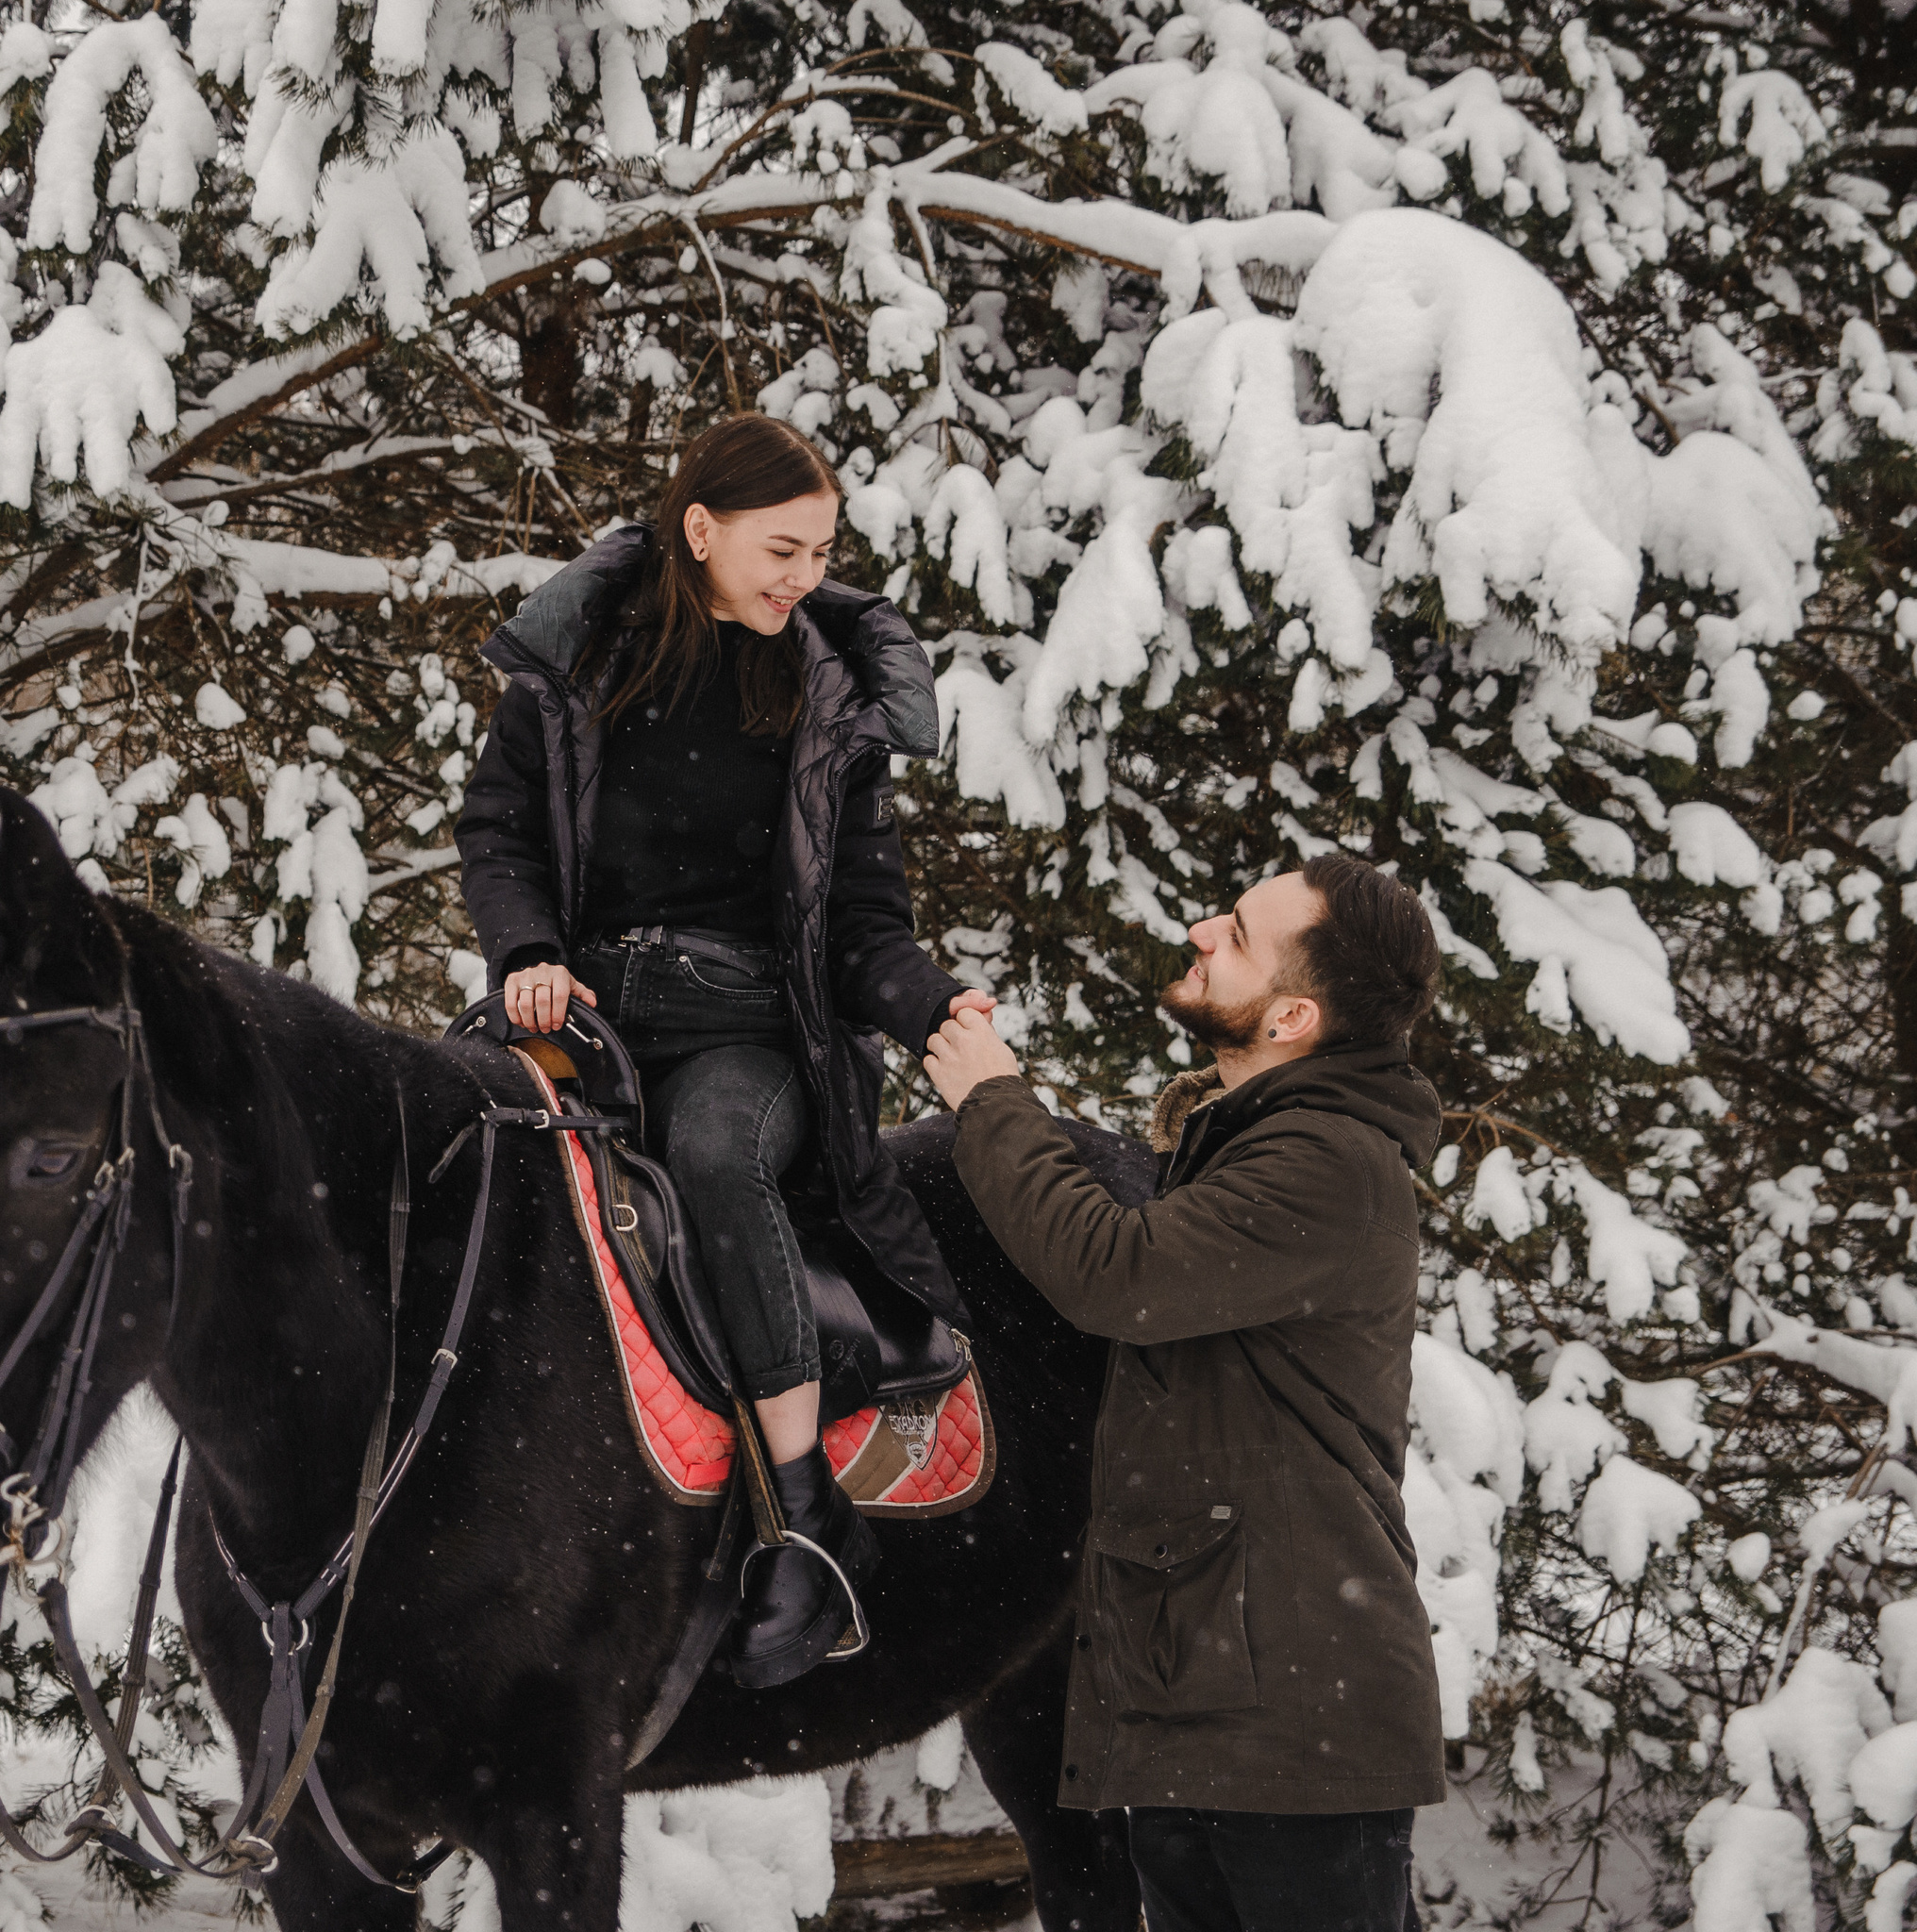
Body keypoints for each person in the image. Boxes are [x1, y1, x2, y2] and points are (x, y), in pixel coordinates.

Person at [455, 412, 992, 1689]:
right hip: (581, 1021)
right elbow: (498, 830)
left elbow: (865, 921)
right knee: (455, 1157)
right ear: (700, 531)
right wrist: (527, 947)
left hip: (752, 1033)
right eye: (783, 546)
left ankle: (800, 1528)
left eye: (822, 551)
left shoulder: (824, 704)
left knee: (712, 1162)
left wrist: (930, 1006)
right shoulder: (577, 659)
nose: (805, 575)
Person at [924, 855, 1446, 1932]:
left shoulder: (1328, 1159)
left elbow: (1116, 1272)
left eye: (1242, 934)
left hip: (1296, 1726)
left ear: (1292, 1014)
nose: (1205, 929)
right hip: (1204, 1714)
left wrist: (989, 1097)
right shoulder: (1246, 1145)